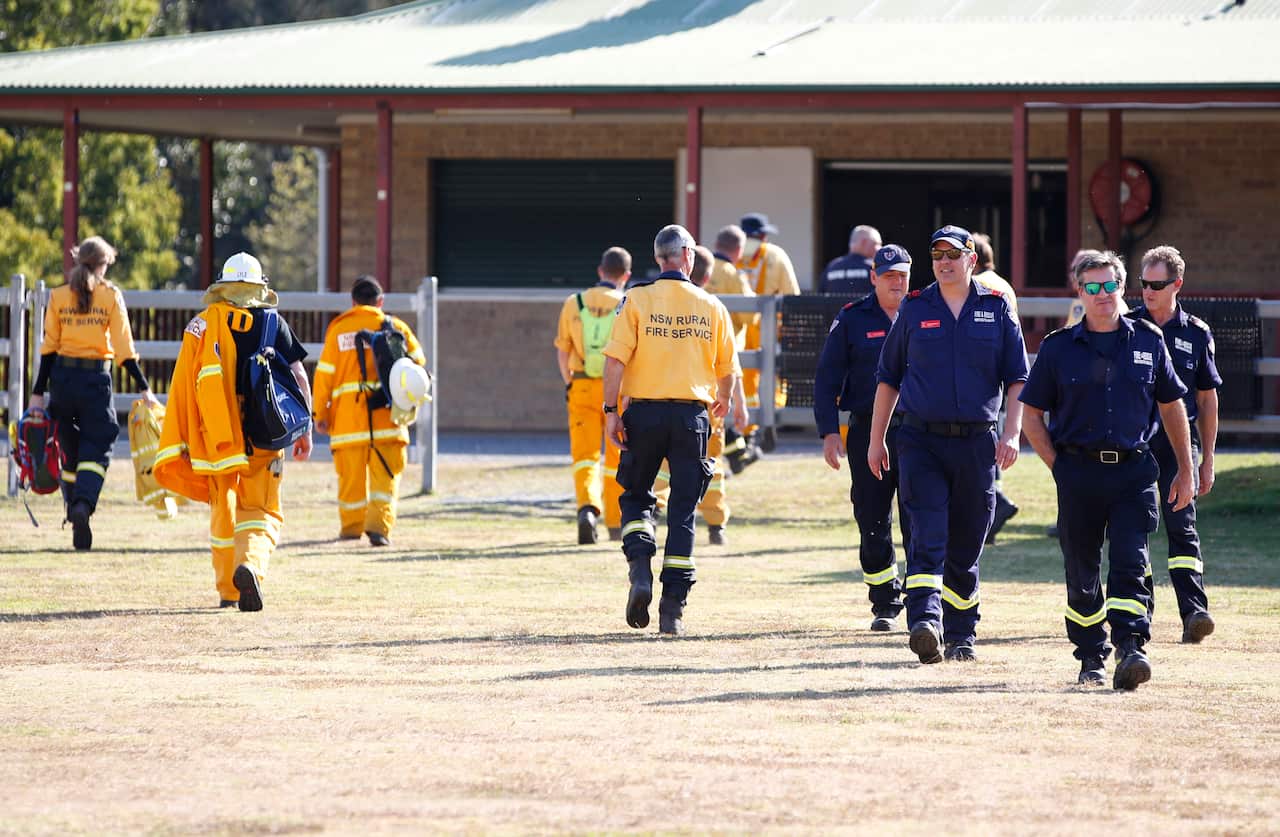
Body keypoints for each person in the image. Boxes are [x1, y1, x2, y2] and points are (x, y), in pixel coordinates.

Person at [1019, 249, 1194, 689]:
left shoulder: (1149, 340)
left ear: (1122, 287)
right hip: (1078, 472)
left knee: (1131, 562)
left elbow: (1172, 406)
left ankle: (1131, 647)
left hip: (1134, 474)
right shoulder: (1058, 348)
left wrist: (1186, 468)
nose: (1102, 294)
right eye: (1092, 286)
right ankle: (1090, 654)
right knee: (1082, 570)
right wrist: (1058, 466)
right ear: (1079, 292)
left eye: (1110, 285)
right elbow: (1031, 416)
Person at [869, 225, 1029, 664]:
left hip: (977, 443)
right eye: (937, 255)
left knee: (967, 540)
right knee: (926, 532)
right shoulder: (915, 308)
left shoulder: (996, 307)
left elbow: (1018, 378)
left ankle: (961, 634)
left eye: (953, 255)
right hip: (920, 440)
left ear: (971, 260)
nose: (944, 262)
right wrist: (876, 439)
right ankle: (924, 621)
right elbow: (888, 377)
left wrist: (1012, 433)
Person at [154, 252, 313, 611]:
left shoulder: (201, 325)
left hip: (216, 433)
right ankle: (250, 565)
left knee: (223, 507)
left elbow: (183, 385)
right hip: (265, 429)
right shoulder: (273, 322)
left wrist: (183, 436)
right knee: (262, 508)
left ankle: (228, 590)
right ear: (260, 287)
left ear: (223, 286)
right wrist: (305, 428)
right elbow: (299, 377)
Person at [603, 225, 741, 636]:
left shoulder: (636, 299)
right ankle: (672, 611)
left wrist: (611, 412)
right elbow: (727, 369)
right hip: (691, 417)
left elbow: (614, 362)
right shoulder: (711, 305)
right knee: (682, 510)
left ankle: (640, 569)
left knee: (636, 497)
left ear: (658, 257)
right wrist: (724, 400)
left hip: (643, 414)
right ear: (687, 256)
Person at [28, 236, 159, 551]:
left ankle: (72, 508)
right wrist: (145, 388)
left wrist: (37, 394)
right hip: (95, 382)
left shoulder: (59, 296)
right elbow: (125, 350)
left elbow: (49, 348)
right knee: (98, 447)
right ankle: (83, 505)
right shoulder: (110, 296)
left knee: (68, 451)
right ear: (103, 265)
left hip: (62, 381)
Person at [1126, 245, 1222, 644]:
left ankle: (1194, 612)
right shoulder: (1126, 327)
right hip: (1135, 446)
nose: (1148, 291)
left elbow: (1207, 399)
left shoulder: (1196, 333)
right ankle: (1138, 614)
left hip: (1179, 447)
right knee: (1136, 529)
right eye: (1144, 283)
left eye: (1157, 284)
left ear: (1177, 284)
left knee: (1182, 528)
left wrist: (1206, 460)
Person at [815, 244, 913, 631]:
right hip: (866, 429)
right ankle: (884, 602)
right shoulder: (852, 318)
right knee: (872, 515)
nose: (896, 283)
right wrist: (828, 431)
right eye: (888, 276)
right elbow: (827, 377)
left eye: (902, 275)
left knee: (920, 515)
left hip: (918, 431)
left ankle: (921, 599)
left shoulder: (925, 312)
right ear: (873, 277)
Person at [312, 274, 427, 547]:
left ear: (353, 302)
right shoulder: (395, 327)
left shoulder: (338, 330)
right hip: (388, 419)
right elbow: (419, 365)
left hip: (348, 422)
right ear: (380, 301)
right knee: (385, 480)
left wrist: (320, 415)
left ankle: (351, 528)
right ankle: (379, 529)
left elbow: (324, 376)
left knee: (350, 482)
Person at [652, 246, 751, 545]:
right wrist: (738, 403)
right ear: (707, 278)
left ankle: (654, 510)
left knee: (662, 462)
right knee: (711, 464)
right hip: (707, 405)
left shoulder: (661, 306)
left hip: (665, 398)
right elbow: (729, 365)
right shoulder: (713, 309)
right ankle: (716, 525)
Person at [554, 247, 630, 543]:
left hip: (582, 386)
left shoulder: (574, 303)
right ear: (626, 276)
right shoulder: (627, 303)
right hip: (617, 390)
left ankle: (587, 509)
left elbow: (563, 352)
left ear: (600, 271)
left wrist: (570, 383)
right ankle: (616, 522)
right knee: (617, 456)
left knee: (585, 457)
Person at [735, 212, 801, 449]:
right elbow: (792, 296)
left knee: (759, 381)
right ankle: (756, 429)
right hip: (751, 329)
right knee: (754, 380)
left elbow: (791, 296)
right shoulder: (772, 255)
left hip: (754, 329)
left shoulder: (769, 257)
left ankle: (757, 429)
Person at [972, 232, 1020, 544]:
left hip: (982, 376)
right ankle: (994, 502)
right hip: (1000, 374)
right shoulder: (1004, 284)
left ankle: (996, 503)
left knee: (982, 440)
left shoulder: (980, 285)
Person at [703, 224, 760, 475]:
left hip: (698, 349)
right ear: (738, 250)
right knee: (720, 409)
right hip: (726, 352)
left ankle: (735, 454)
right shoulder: (734, 275)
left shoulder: (700, 267)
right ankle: (733, 456)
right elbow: (750, 315)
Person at [819, 225, 881, 297]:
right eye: (877, 244)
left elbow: (819, 298)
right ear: (864, 242)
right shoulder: (874, 268)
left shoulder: (831, 268)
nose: (880, 248)